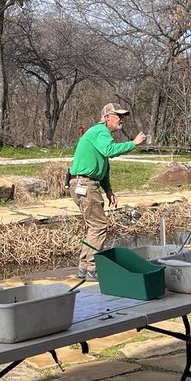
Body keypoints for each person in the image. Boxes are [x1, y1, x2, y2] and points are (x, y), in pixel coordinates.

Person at [69, 103, 148, 278]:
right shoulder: (100, 132)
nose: (121, 119)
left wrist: (109, 191)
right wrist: (133, 143)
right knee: (99, 226)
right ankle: (91, 269)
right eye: (118, 115)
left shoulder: (99, 134)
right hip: (85, 185)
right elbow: (110, 151)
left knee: (94, 227)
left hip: (83, 184)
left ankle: (84, 268)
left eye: (123, 116)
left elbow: (102, 166)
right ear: (106, 118)